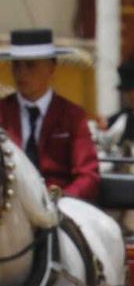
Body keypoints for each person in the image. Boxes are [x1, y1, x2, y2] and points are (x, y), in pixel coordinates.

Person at [0, 29, 99, 201]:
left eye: (30, 65)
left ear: (51, 67)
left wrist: (64, 198)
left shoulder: (72, 116)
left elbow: (88, 175)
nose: (21, 73)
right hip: (10, 208)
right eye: (17, 65)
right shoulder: (2, 112)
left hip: (60, 206)